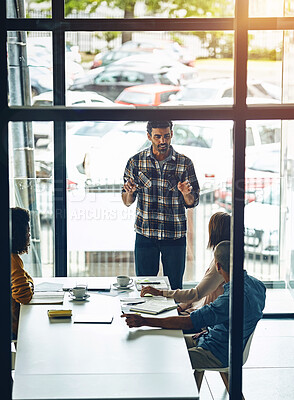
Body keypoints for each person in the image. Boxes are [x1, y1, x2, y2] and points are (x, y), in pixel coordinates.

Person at [121, 241, 266, 387]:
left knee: (163, 357)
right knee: (163, 342)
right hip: (220, 342)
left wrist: (144, 321)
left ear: (217, 266)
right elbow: (237, 320)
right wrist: (208, 330)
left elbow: (188, 322)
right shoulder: (258, 285)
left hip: (217, 353)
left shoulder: (228, 300)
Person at [122, 120, 200, 290]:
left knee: (175, 289)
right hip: (145, 234)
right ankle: (145, 317)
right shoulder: (135, 162)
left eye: (166, 136)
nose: (162, 141)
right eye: (157, 136)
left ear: (172, 134)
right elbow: (127, 202)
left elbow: (192, 202)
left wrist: (186, 194)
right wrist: (129, 192)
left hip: (175, 235)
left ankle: (172, 317)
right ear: (149, 136)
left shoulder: (185, 163)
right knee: (145, 288)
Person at [141, 211, 230, 314]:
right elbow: (200, 294)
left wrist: (160, 293)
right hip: (194, 309)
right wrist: (181, 306)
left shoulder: (220, 263)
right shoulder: (222, 256)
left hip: (198, 315)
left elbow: (196, 294)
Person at [11, 207, 34, 340]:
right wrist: (30, 284)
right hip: (13, 328)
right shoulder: (12, 259)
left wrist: (28, 281)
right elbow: (24, 296)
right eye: (27, 230)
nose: (29, 235)